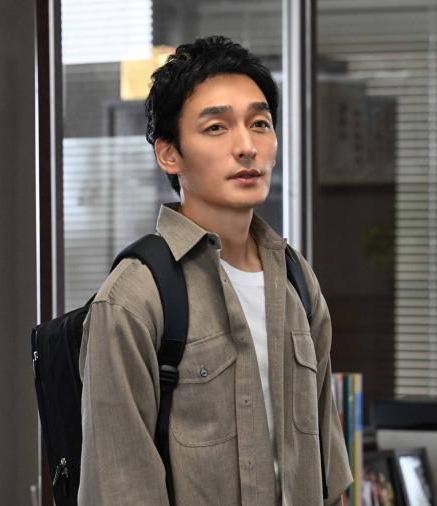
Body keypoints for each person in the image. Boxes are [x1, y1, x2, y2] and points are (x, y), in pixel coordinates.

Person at [78, 35, 352, 506]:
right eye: (216, 128)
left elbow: (328, 475)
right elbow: (119, 490)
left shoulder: (296, 280)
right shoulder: (134, 298)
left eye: (260, 124)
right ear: (169, 153)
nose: (246, 147)